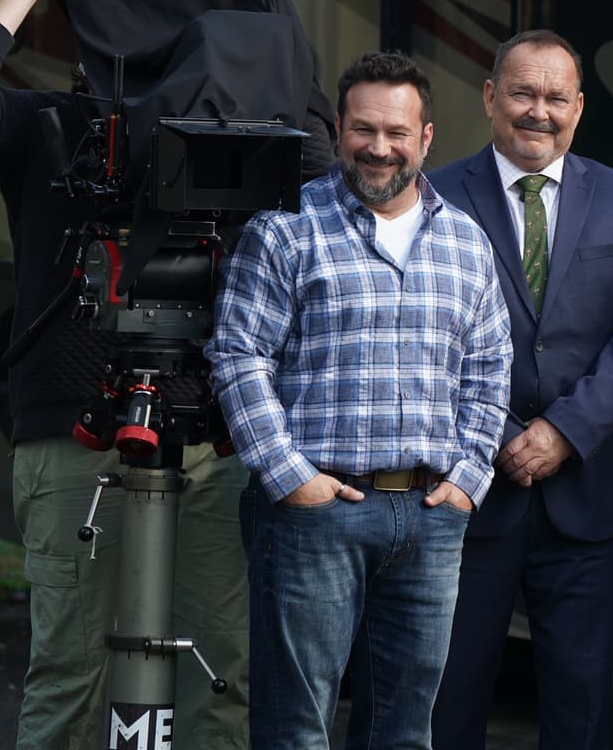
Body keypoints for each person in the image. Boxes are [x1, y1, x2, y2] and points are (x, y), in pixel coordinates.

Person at [0, 0, 324, 745]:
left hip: (217, 441)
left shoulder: (255, 151)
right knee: (73, 678)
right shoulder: (57, 128)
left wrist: (275, 57)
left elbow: (332, 154)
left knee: (221, 676)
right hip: (82, 435)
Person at [205, 50, 512, 749]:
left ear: (426, 137)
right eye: (364, 130)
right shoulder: (285, 230)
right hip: (316, 514)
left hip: (431, 518)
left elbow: (491, 370)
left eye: (397, 133)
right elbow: (237, 354)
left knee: (405, 732)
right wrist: (291, 478)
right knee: (296, 729)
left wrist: (468, 480)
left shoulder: (466, 243)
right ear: (339, 129)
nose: (380, 148)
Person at [428, 29, 613, 750]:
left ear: (579, 107)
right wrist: (501, 432)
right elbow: (423, 333)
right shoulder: (434, 196)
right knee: (449, 695)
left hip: (586, 494)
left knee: (581, 705)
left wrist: (565, 430)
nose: (540, 111)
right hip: (469, 489)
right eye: (524, 93)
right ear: (490, 97)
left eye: (556, 97)